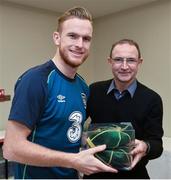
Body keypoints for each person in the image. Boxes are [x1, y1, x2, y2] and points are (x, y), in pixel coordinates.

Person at [2, 7, 117, 179]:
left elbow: (66, 131)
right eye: (72, 36)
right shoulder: (36, 80)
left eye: (86, 39)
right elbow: (11, 149)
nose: (79, 44)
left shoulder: (83, 86)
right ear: (57, 38)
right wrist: (73, 161)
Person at [84, 39, 163, 179]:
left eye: (131, 60)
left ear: (140, 62)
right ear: (110, 61)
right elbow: (75, 124)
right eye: (118, 60)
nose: (124, 66)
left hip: (134, 175)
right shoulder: (94, 91)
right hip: (95, 174)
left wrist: (146, 146)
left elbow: (157, 145)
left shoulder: (152, 99)